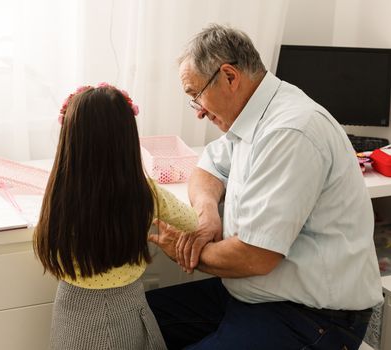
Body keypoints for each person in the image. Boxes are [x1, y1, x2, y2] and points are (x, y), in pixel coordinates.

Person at [146, 24, 383, 350]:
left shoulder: (290, 131)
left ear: (229, 76)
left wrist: (187, 253)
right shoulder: (252, 117)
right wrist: (206, 215)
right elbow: (209, 166)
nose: (199, 112)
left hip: (313, 317)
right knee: (136, 320)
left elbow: (255, 258)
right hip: (248, 294)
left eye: (196, 95)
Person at [33, 83, 199, 350]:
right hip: (125, 309)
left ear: (70, 139)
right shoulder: (145, 193)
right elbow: (192, 221)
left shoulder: (60, 192)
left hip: (71, 310)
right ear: (127, 139)